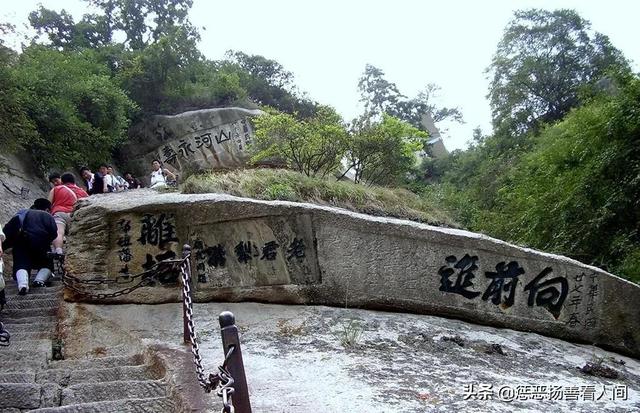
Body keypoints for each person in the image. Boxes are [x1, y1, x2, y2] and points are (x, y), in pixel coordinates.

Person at [2, 199, 58, 294]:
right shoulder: (48, 216)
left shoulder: (22, 213)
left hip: (22, 241)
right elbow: (54, 234)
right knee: (46, 263)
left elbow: (8, 230)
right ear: (47, 209)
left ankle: (23, 285)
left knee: (21, 263)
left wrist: (4, 246)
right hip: (42, 242)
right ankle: (39, 280)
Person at [48, 172, 89, 255]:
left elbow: (48, 204)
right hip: (75, 216)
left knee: (59, 232)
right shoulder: (83, 192)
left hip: (59, 213)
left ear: (62, 180)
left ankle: (58, 251)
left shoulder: (57, 189)